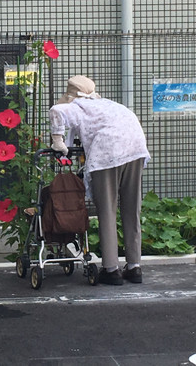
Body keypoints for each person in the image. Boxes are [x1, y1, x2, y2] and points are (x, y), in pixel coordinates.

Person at [49, 75, 150, 285]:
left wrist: (58, 141)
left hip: (108, 154)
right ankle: (134, 267)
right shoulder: (110, 105)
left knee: (107, 210)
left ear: (71, 94)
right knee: (132, 210)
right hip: (136, 150)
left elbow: (56, 111)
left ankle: (111, 270)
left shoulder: (77, 105)